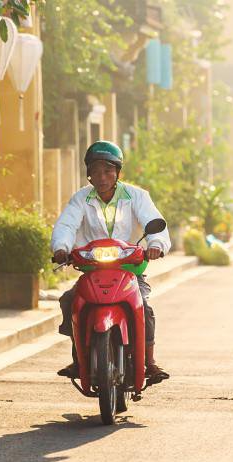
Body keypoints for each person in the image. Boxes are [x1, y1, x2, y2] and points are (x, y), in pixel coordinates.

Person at [51, 140, 171, 382]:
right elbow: (66, 225)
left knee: (144, 307)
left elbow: (152, 220)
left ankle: (149, 362)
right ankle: (78, 358)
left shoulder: (137, 196)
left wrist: (156, 245)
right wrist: (61, 248)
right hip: (93, 271)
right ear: (89, 174)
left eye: (107, 170)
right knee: (70, 301)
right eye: (96, 171)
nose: (102, 177)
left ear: (117, 172)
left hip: (130, 270)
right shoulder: (80, 199)